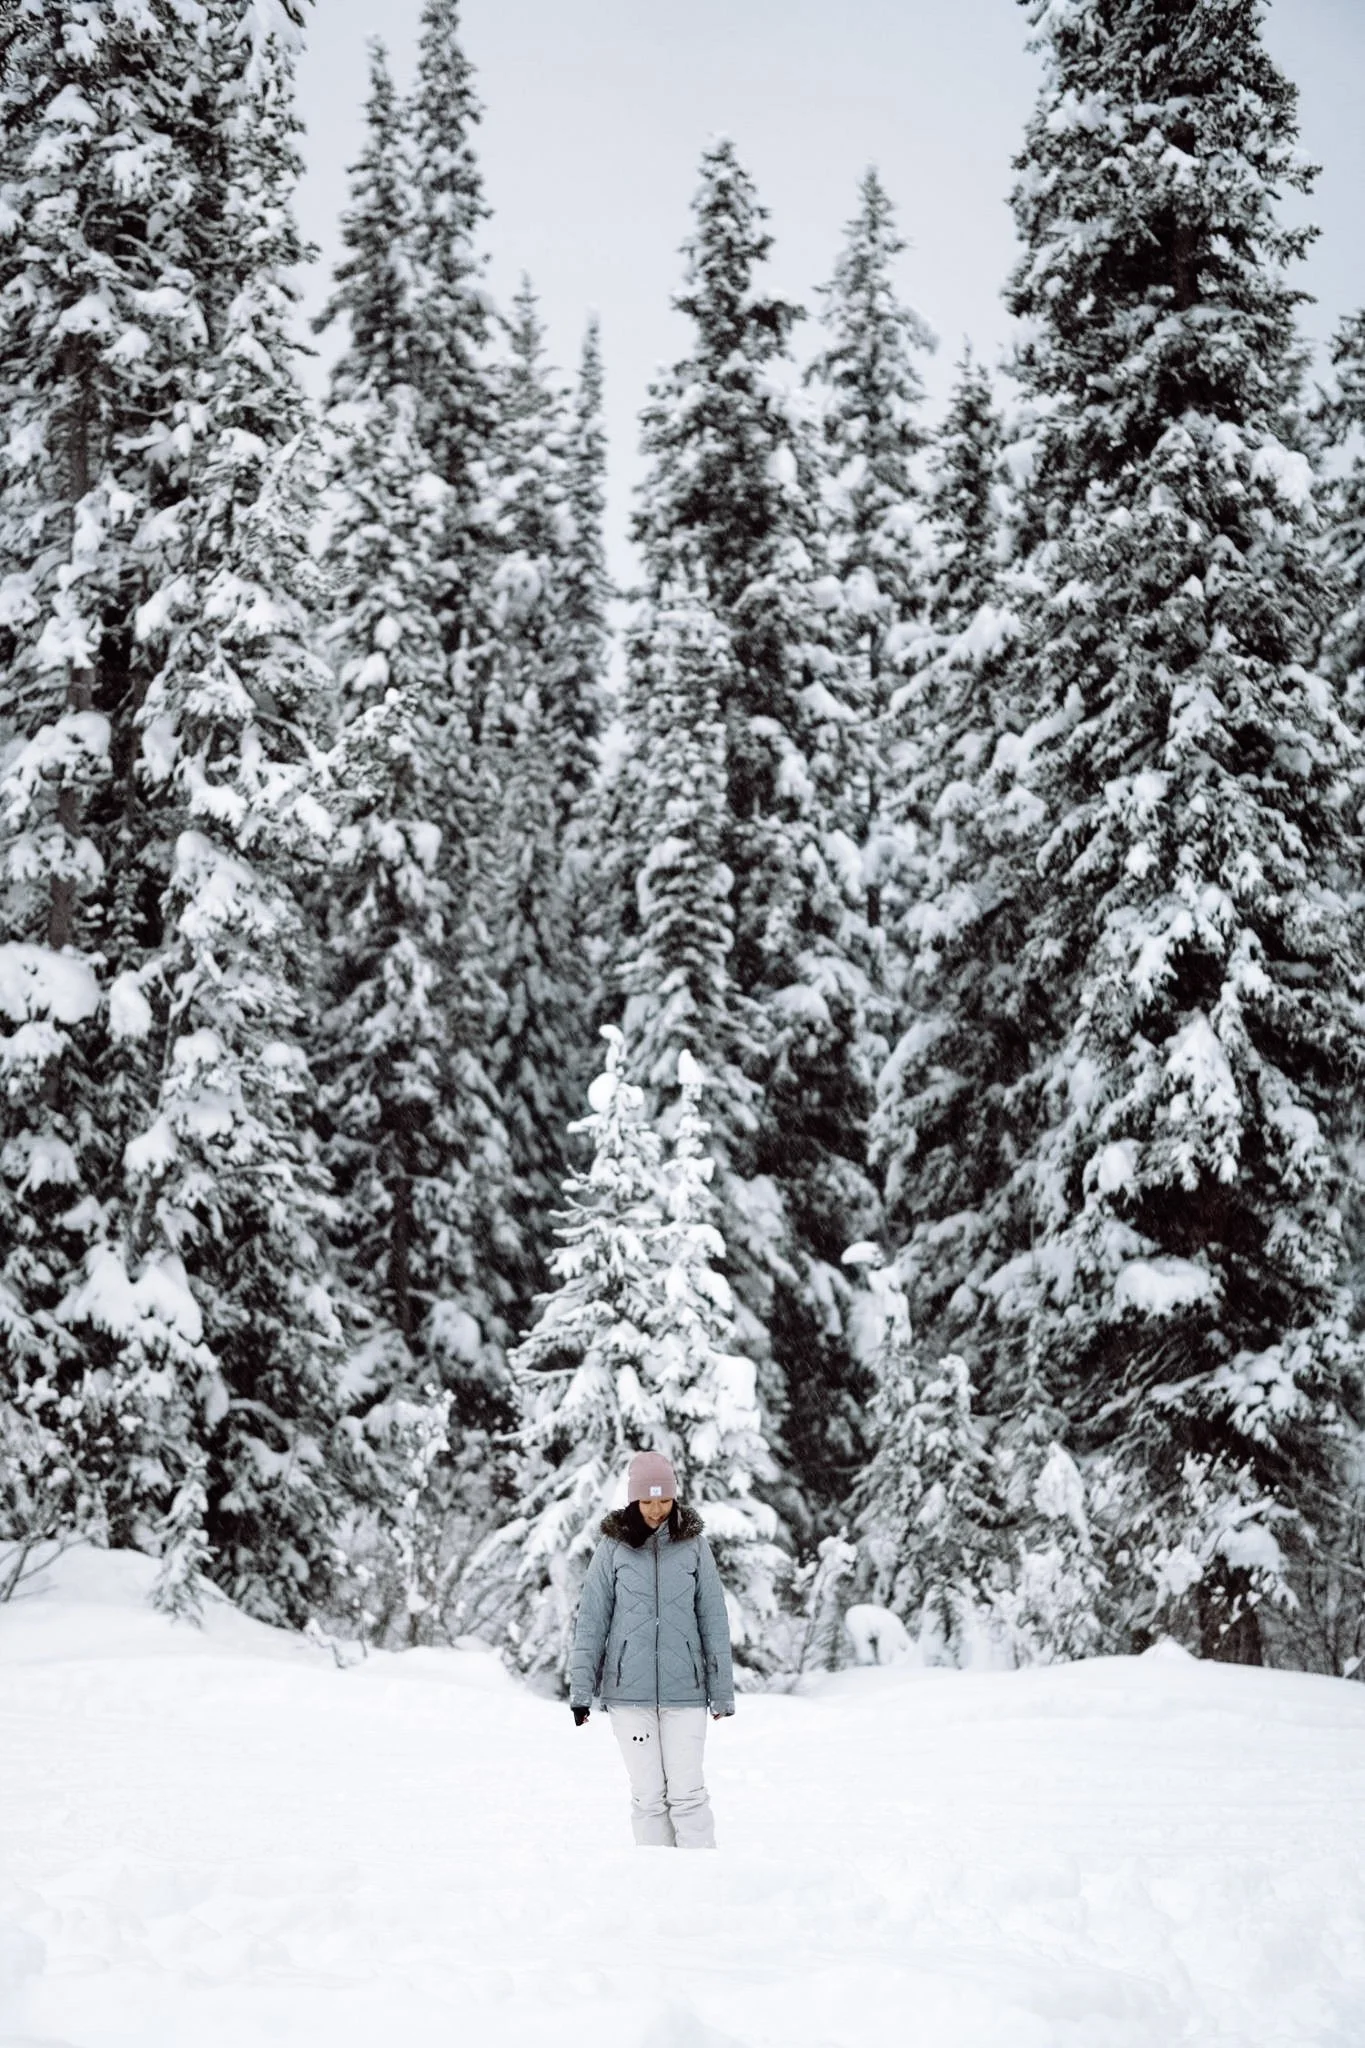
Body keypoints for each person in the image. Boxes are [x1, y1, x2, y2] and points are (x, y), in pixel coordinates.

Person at [569, 1450, 735, 1848]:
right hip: (628, 1694)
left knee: (688, 1794)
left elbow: (713, 1619)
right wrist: (581, 1692)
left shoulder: (694, 1546)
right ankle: (658, 1879)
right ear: (633, 1500)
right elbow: (592, 1620)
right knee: (648, 1798)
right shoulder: (613, 1548)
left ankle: (702, 1876)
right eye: (647, 1501)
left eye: (664, 1500)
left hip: (686, 1692)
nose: (657, 1510)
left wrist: (722, 1691)